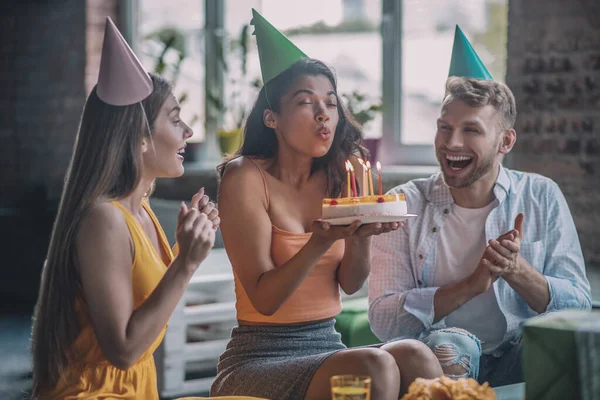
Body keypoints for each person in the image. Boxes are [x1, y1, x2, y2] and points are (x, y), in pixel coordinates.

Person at [210, 10, 443, 400]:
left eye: (331, 103)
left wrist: (362, 235)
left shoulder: (340, 175)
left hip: (326, 344)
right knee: (375, 365)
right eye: (305, 102)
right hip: (259, 358)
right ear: (271, 118)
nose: (323, 113)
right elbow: (265, 301)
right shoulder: (244, 178)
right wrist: (319, 241)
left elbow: (349, 284)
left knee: (416, 354)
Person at [368, 25, 592, 387]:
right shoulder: (405, 203)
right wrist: (471, 285)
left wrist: (516, 270)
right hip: (440, 357)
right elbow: (383, 319)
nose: (451, 142)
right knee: (449, 345)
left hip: (523, 353)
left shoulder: (541, 195)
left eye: (471, 130)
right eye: (444, 127)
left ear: (505, 141)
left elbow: (579, 307)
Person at [30, 18, 219, 399]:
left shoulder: (141, 211)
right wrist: (186, 263)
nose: (188, 132)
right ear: (140, 136)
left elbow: (149, 314)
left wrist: (187, 247)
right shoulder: (103, 218)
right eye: (175, 118)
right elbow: (124, 350)